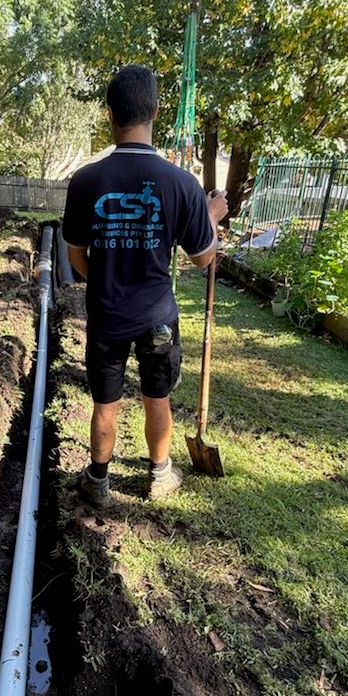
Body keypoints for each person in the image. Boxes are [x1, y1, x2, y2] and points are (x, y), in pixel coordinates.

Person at [61, 64, 228, 507]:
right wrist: (210, 217)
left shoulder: (86, 181)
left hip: (107, 314)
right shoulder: (181, 183)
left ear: (110, 114)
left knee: (106, 402)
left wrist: (105, 282)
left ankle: (98, 481)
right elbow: (203, 257)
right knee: (157, 396)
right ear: (154, 111)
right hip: (157, 316)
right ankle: (159, 475)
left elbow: (75, 255)